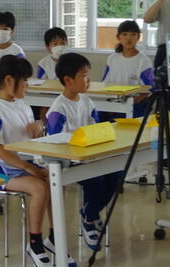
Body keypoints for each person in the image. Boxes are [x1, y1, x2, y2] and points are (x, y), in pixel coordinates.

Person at [0, 55, 60, 267]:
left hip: (22, 164)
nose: (27, 85)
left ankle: (55, 238)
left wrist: (37, 129)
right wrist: (28, 168)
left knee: (54, 180)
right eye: (24, 80)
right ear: (8, 81)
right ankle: (35, 243)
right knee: (39, 188)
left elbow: (28, 138)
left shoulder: (23, 105)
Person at [47, 53, 121, 250]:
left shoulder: (87, 101)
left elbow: (96, 127)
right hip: (68, 162)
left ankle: (91, 212)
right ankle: (89, 219)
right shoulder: (58, 109)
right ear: (68, 80)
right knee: (96, 180)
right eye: (84, 75)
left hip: (89, 156)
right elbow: (55, 142)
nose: (88, 80)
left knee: (116, 173)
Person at [102, 20, 154, 116]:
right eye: (124, 34)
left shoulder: (144, 61)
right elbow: (104, 83)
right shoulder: (112, 58)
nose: (129, 38)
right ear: (118, 37)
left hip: (136, 105)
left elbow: (149, 88)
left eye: (133, 34)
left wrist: (131, 102)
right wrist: (111, 105)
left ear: (138, 37)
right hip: (113, 102)